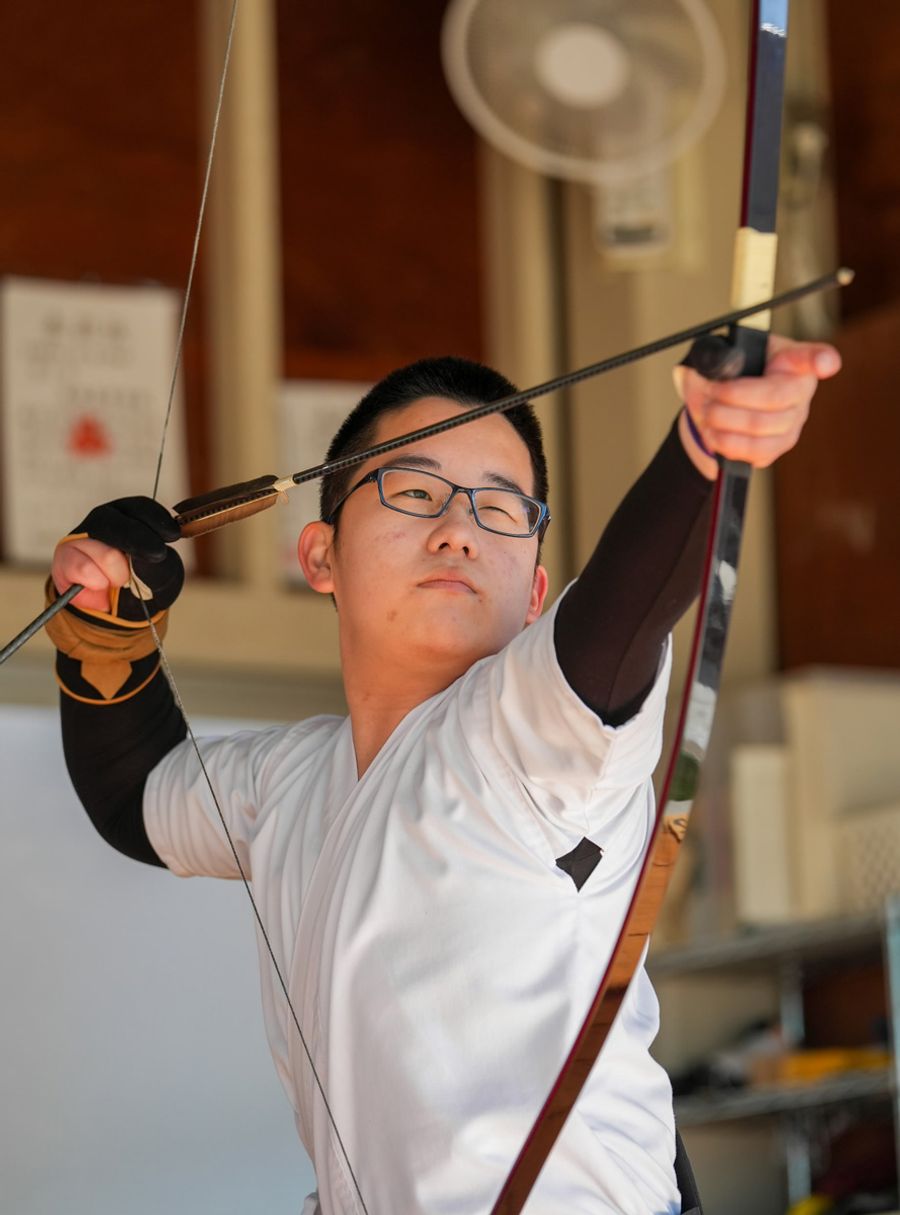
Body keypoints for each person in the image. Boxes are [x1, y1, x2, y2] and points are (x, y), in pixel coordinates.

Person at [48, 337, 840, 1215]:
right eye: (414, 491)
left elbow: (623, 608)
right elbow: (137, 795)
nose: (459, 528)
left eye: (502, 508)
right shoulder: (285, 781)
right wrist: (107, 626)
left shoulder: (534, 727)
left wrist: (706, 452)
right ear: (321, 556)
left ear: (536, 592)